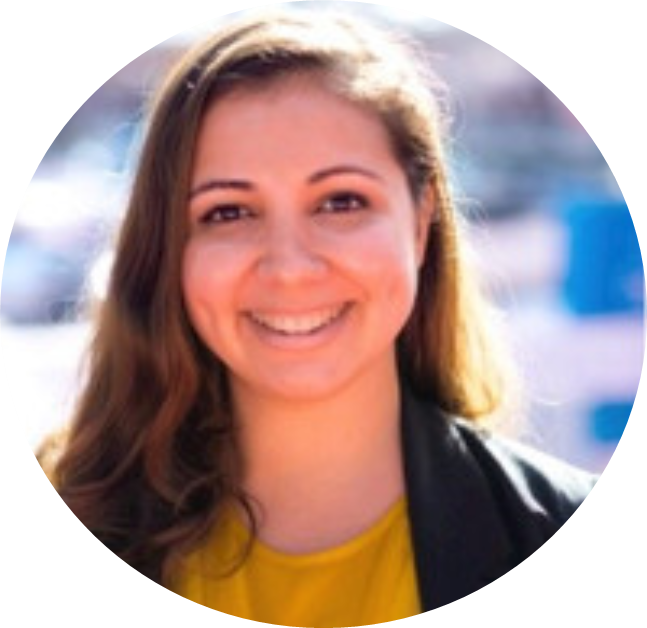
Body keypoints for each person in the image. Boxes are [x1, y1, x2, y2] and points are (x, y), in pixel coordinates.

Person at [40, 7, 598, 623]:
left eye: (341, 202)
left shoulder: (550, 523)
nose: (290, 268)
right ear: (169, 250)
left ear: (419, 223)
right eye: (229, 212)